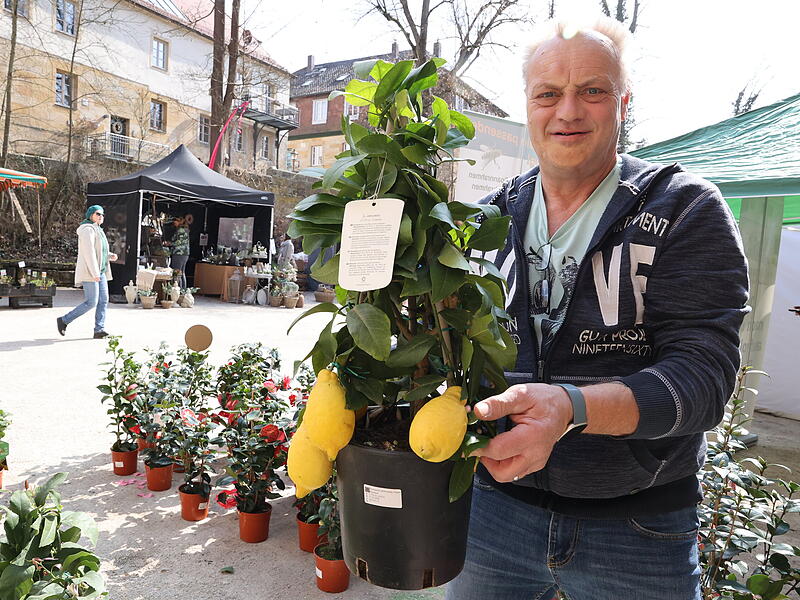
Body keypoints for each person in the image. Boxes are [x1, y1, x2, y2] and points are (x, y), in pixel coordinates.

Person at [446, 17, 749, 600]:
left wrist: (573, 408)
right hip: (495, 515)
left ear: (622, 103)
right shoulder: (484, 222)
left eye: (592, 90)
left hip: (637, 528)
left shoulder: (684, 210)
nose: (568, 112)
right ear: (528, 107)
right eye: (548, 94)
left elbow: (704, 378)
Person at [56, 205, 117, 339]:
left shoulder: (98, 230)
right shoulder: (87, 230)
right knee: (91, 302)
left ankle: (99, 329)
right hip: (91, 272)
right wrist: (95, 273)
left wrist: (109, 255)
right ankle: (64, 320)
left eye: (102, 214)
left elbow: (99, 251)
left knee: (103, 300)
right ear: (90, 215)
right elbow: (89, 253)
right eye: (97, 214)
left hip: (99, 272)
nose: (101, 216)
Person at [164, 214, 190, 288]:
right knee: (182, 273)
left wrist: (169, 243)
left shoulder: (180, 230)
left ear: (180, 221)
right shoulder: (185, 230)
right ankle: (183, 291)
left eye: (175, 221)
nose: (174, 222)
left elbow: (178, 242)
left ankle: (178, 290)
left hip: (179, 254)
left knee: (177, 273)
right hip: (185, 254)